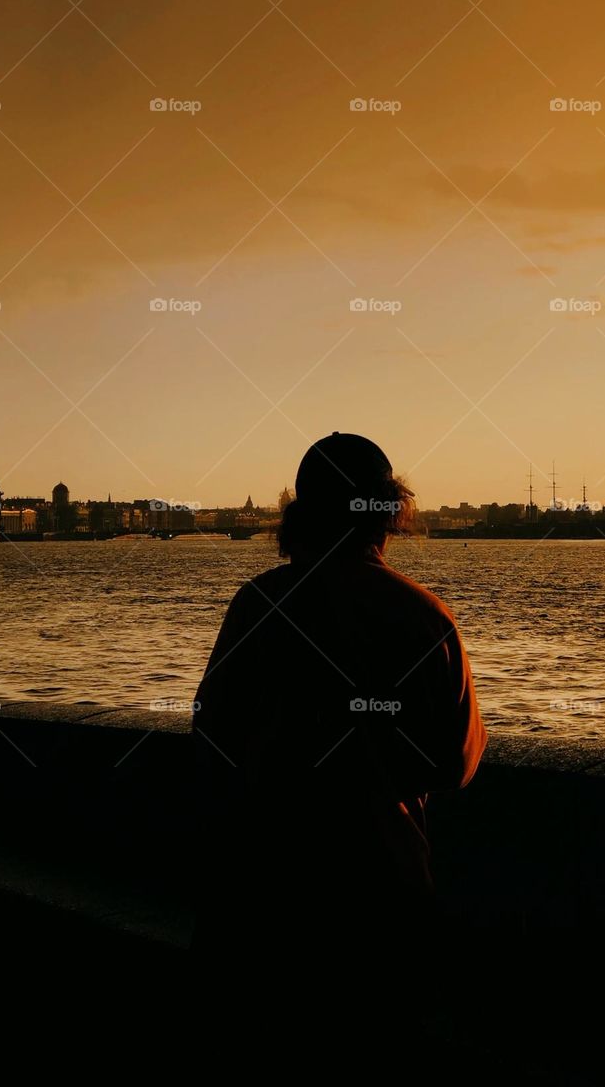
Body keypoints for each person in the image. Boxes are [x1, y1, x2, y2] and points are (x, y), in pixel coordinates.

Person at [191, 434, 486, 1065]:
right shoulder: (425, 618)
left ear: (298, 514)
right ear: (389, 513)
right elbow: (456, 764)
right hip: (381, 899)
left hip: (264, 898)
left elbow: (212, 734)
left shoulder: (256, 607)